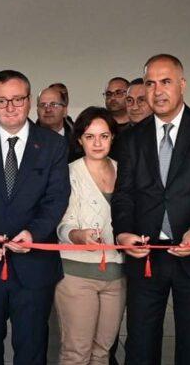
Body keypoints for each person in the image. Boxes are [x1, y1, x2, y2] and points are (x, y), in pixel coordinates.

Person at [112, 54, 190, 364]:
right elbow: (124, 194)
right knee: (140, 346)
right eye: (150, 83)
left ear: (182, 84)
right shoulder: (132, 138)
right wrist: (122, 233)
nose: (157, 90)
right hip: (146, 256)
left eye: (165, 81)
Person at [0, 70, 70, 365]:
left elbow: (56, 199)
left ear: (28, 100)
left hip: (34, 266)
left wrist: (33, 233)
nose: (10, 107)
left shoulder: (53, 145)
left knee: (31, 349)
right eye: (1, 101)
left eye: (17, 99)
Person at [55, 107, 125, 365]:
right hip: (77, 274)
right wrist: (77, 235)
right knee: (77, 351)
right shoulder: (68, 173)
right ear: (79, 139)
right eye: (90, 136)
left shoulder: (124, 170)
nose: (97, 143)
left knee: (103, 352)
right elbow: (62, 224)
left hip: (116, 274)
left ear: (112, 137)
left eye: (104, 136)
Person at [36, 86, 80, 162]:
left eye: (53, 104)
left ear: (65, 111)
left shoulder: (79, 142)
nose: (48, 109)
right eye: (43, 105)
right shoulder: (27, 140)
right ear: (37, 111)